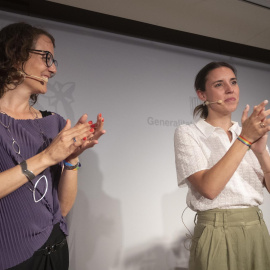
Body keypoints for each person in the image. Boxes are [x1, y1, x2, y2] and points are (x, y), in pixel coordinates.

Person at [0, 22, 105, 270]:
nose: (53, 69)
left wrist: (71, 160)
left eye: (54, 60)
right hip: (11, 258)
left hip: (56, 252)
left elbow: (63, 208)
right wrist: (47, 157)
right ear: (15, 54)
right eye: (46, 57)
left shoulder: (54, 123)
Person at [174, 62, 270, 270]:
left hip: (256, 228)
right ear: (202, 94)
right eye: (219, 84)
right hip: (215, 230)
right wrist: (245, 139)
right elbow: (209, 188)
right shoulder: (189, 133)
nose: (230, 89)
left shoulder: (246, 132)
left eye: (233, 82)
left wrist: (261, 152)